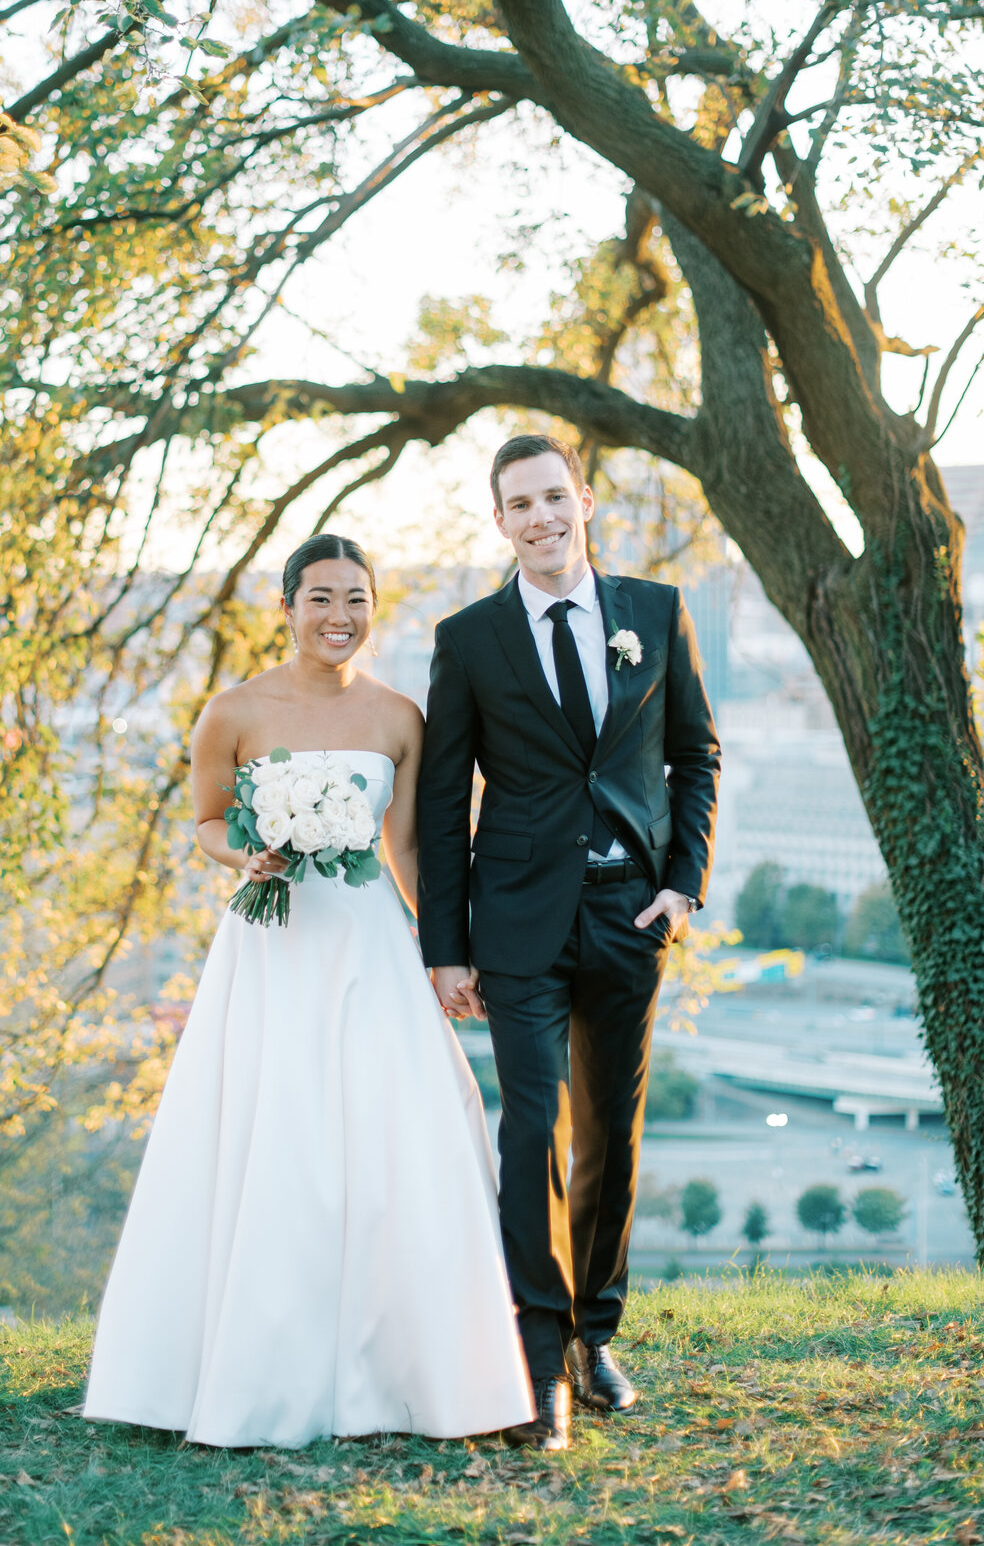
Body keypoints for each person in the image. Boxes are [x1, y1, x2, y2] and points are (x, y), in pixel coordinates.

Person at [84, 533, 533, 1448]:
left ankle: (410, 1374)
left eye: (357, 600)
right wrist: (246, 854)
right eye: (321, 598)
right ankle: (255, 1369)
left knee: (397, 1138)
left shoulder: (401, 717)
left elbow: (406, 851)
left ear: (376, 608)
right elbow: (207, 822)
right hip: (272, 946)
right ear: (286, 608)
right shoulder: (233, 712)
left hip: (368, 944)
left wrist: (447, 952)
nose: (340, 617)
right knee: (275, 1138)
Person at [417, 438, 720, 1451]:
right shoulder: (469, 639)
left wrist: (682, 887)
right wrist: (444, 947)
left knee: (610, 1135)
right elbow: (442, 797)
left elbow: (694, 754)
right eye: (519, 504)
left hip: (631, 916)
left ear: (584, 501)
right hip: (517, 923)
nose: (541, 517)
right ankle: (536, 1365)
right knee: (531, 1130)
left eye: (555, 496)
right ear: (500, 522)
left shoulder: (657, 611)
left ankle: (596, 1338)